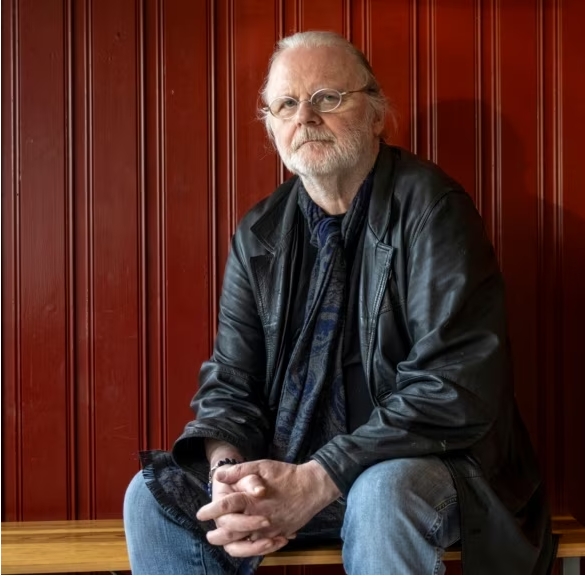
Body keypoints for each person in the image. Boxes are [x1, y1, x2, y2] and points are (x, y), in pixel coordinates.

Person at [123, 30, 554, 575]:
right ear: (273, 126)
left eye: (327, 97)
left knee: (381, 492)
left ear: (376, 114)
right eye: (286, 104)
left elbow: (455, 387)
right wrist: (228, 471)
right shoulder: (259, 234)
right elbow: (231, 382)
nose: (305, 116)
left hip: (436, 465)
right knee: (150, 497)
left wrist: (320, 476)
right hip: (297, 467)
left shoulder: (432, 209)